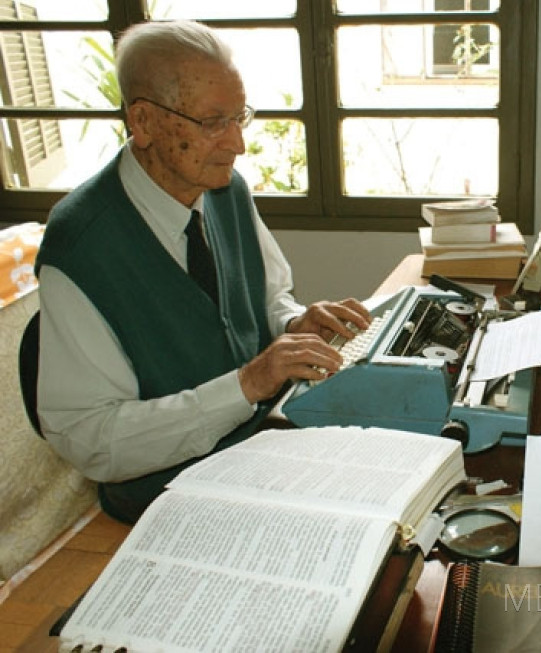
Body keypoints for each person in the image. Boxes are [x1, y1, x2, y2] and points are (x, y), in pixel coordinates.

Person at [35, 20, 370, 524]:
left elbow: (270, 297)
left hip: (260, 449)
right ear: (142, 122)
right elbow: (89, 439)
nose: (236, 143)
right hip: (166, 499)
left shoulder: (224, 189)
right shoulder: (81, 246)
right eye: (213, 122)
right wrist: (247, 384)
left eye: (239, 117)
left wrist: (294, 325)